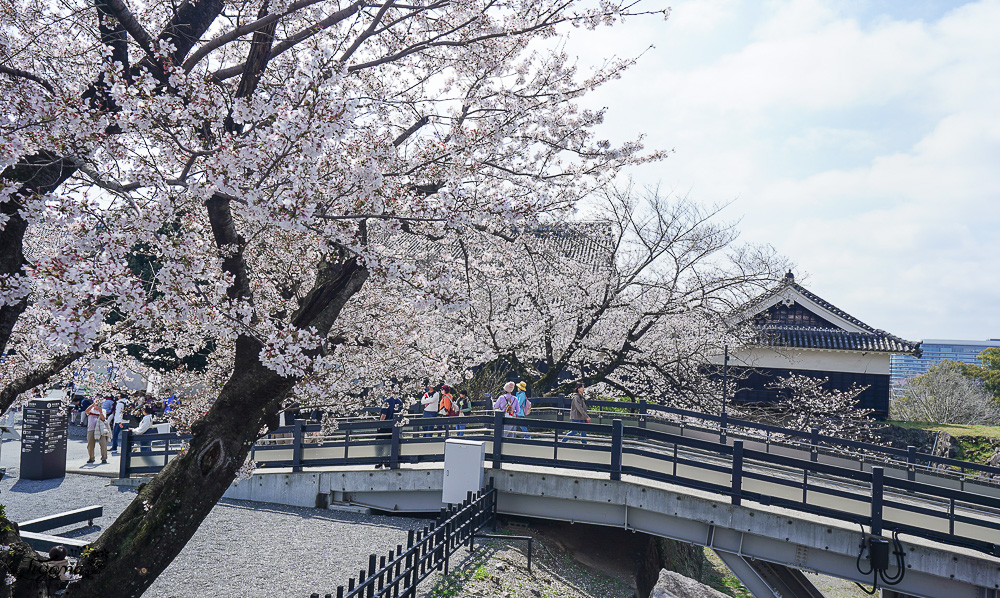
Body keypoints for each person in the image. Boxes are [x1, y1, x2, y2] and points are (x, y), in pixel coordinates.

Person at [375, 395, 403, 469]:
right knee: (390, 446)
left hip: (385, 426)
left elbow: (384, 414)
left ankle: (380, 463)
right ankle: (388, 463)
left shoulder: (386, 401)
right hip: (394, 427)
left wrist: (380, 425)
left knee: (380, 445)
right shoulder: (399, 401)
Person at [84, 399, 109, 464]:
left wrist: (100, 411)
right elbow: (86, 411)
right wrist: (93, 404)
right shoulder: (91, 410)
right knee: (90, 445)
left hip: (100, 429)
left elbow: (103, 418)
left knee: (103, 444)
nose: (97, 406)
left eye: (99, 405)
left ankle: (104, 458)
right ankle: (91, 457)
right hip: (91, 429)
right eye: (96, 404)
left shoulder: (103, 410)